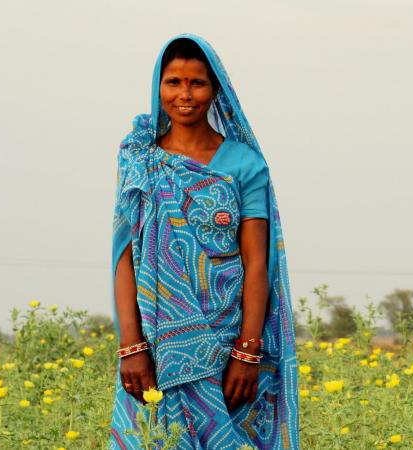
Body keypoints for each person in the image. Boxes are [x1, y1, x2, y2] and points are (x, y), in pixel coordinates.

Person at [109, 34, 299, 449]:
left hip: (227, 340)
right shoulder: (140, 159)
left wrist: (247, 353)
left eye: (197, 83)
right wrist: (131, 346)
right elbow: (125, 256)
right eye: (173, 82)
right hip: (156, 345)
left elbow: (256, 262)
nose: (185, 94)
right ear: (158, 87)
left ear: (216, 90)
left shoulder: (244, 164)